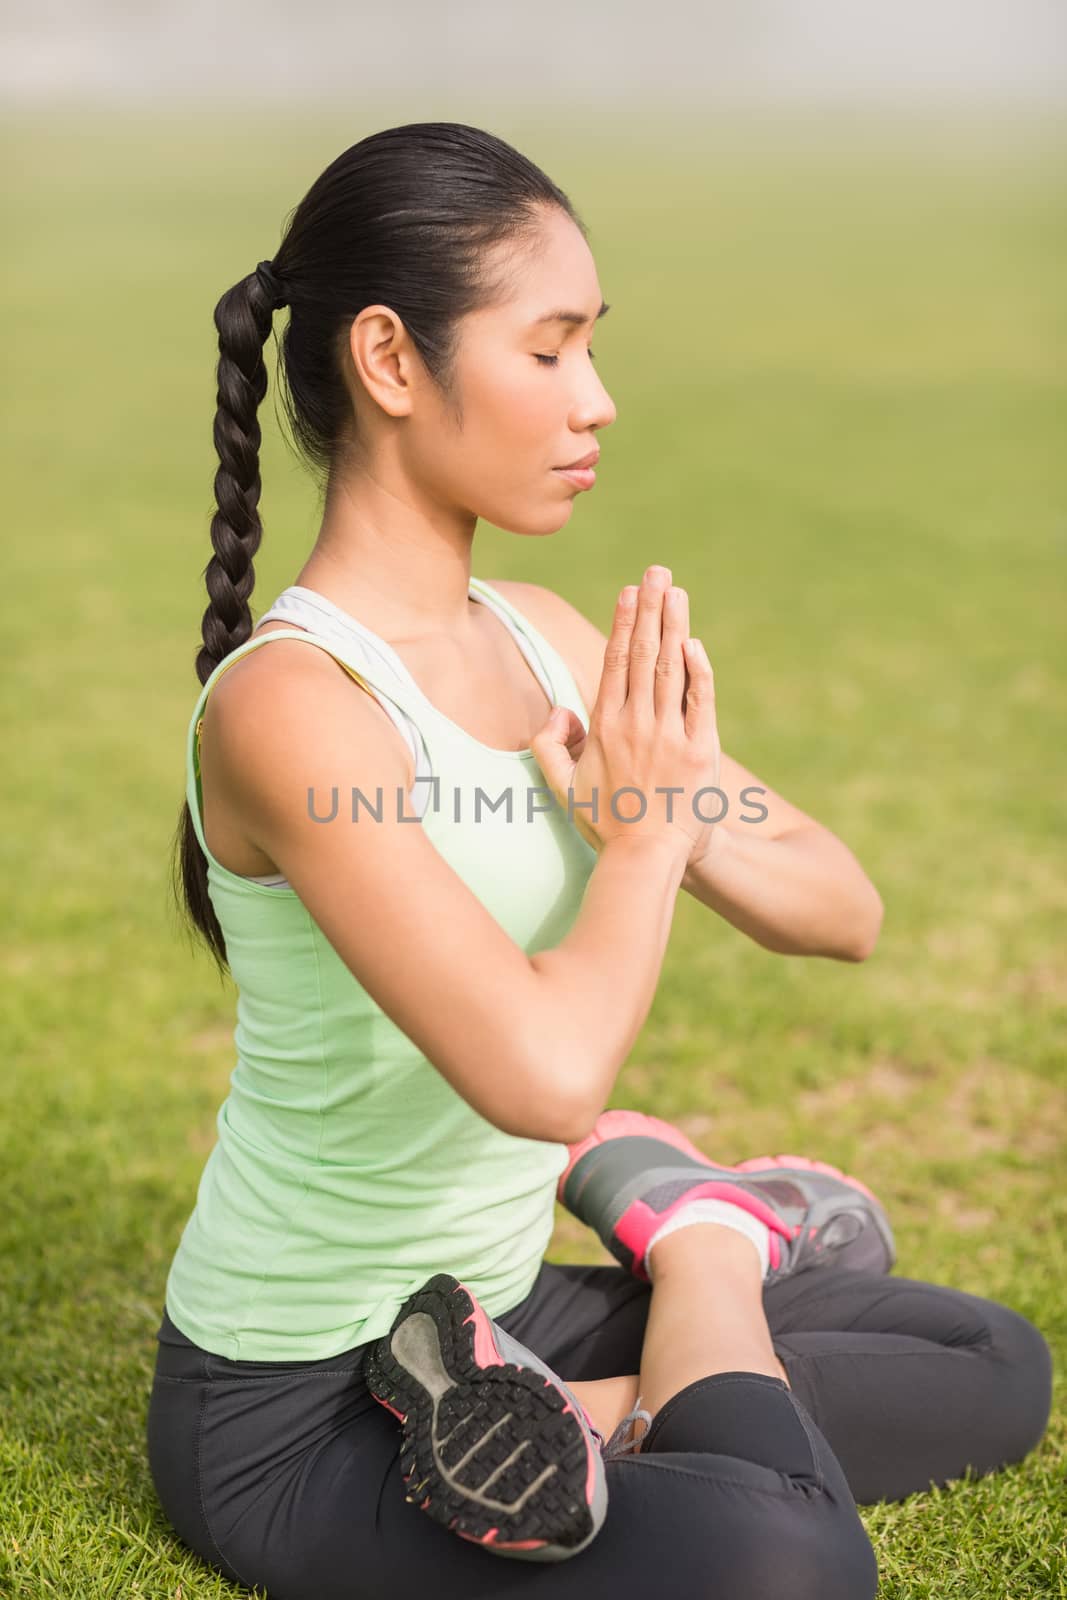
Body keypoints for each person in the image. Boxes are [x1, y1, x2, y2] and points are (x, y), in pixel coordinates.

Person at [147, 121, 1052, 1597]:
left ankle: (575, 1377)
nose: (600, 402)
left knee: (988, 1361)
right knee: (789, 1559)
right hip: (296, 1402)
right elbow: (547, 1086)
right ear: (389, 360)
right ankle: (693, 1247)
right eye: (552, 351)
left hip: (485, 1314)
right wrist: (637, 840)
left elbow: (843, 907)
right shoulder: (292, 708)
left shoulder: (550, 641)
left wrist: (671, 803)